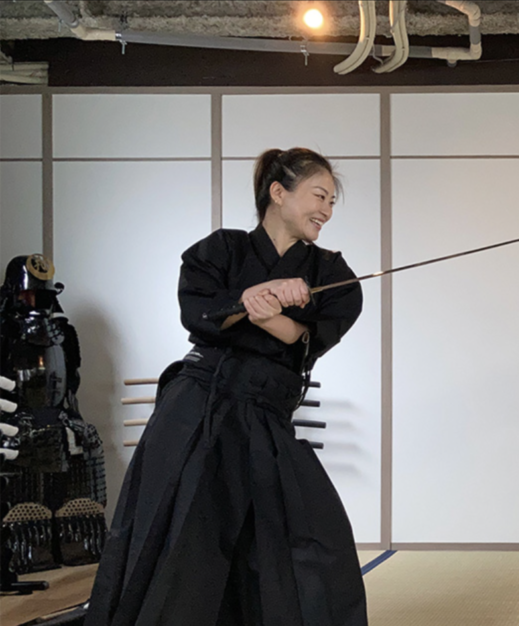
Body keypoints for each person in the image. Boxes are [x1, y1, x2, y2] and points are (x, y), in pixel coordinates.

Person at [86, 148, 368, 626]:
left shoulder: (331, 273)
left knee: (302, 541)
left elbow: (306, 341)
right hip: (196, 406)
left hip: (264, 414)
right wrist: (246, 298)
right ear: (278, 193)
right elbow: (197, 313)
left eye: (333, 202)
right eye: (320, 195)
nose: (327, 210)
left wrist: (271, 310)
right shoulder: (221, 249)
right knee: (183, 538)